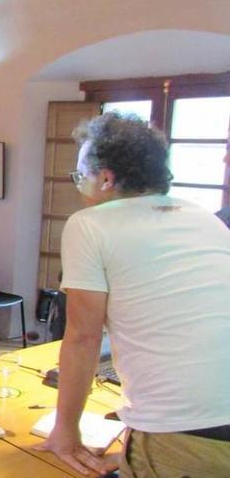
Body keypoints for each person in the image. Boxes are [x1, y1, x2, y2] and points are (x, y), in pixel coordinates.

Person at [34, 113, 230, 476]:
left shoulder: (90, 225)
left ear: (106, 178)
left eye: (80, 177)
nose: (79, 187)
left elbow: (82, 337)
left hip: (189, 433)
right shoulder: (204, 218)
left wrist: (65, 432)